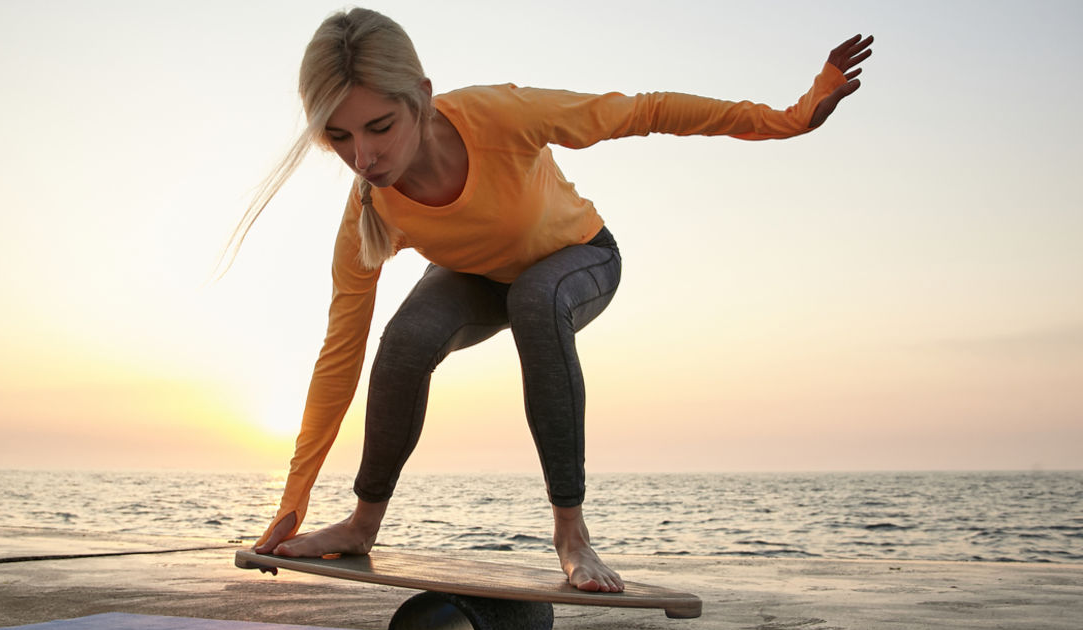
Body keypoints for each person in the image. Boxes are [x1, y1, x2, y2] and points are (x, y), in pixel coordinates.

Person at [224, 8, 873, 593]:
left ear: (421, 98)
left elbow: (644, 110)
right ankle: (362, 524)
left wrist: (793, 117)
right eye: (338, 137)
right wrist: (293, 499)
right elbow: (341, 352)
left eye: (379, 127)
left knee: (536, 299)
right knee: (403, 341)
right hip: (478, 277)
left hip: (580, 257)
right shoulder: (369, 209)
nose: (362, 156)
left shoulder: (500, 115)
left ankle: (572, 534)